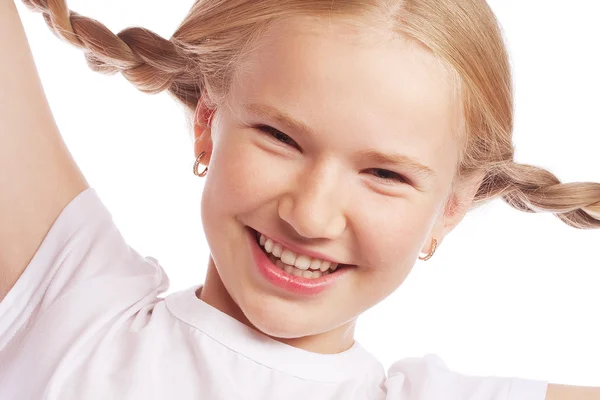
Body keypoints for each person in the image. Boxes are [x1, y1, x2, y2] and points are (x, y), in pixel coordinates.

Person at [0, 0, 598, 399]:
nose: (310, 215)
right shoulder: (68, 310)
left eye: (385, 174)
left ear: (451, 207)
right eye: (280, 138)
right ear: (208, 121)